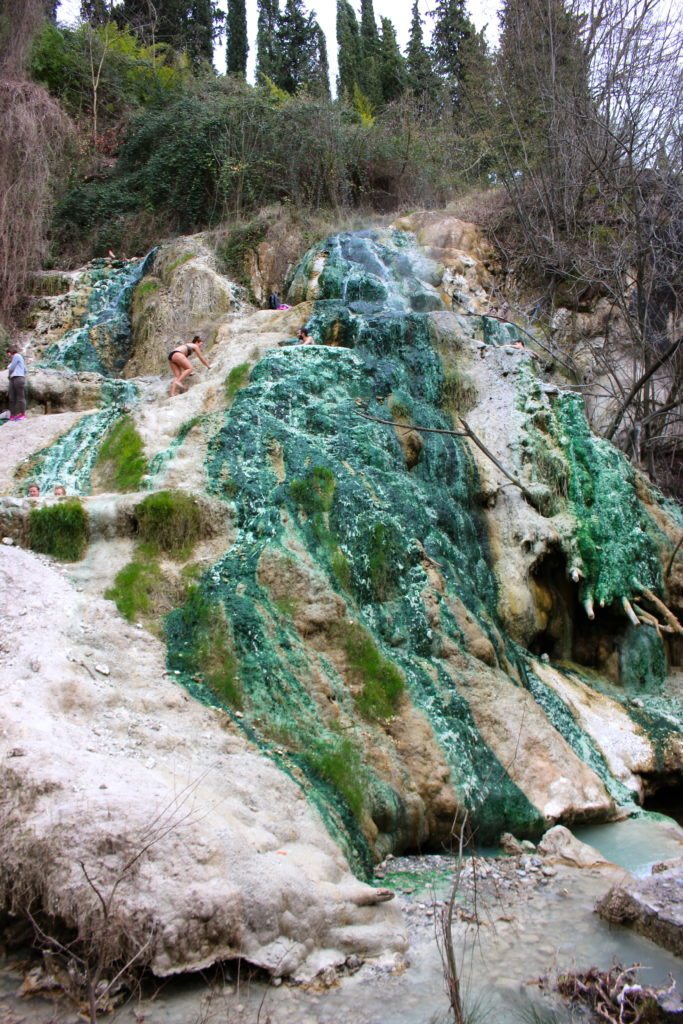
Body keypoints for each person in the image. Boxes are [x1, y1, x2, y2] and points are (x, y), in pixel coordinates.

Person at [6, 345, 27, 421]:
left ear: (10, 352)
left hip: (18, 378)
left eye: (8, 353)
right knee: (12, 397)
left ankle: (23, 415)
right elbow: (25, 370)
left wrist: (9, 375)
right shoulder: (17, 358)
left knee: (21, 397)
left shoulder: (17, 356)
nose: (8, 355)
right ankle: (12, 415)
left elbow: (12, 368)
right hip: (13, 379)